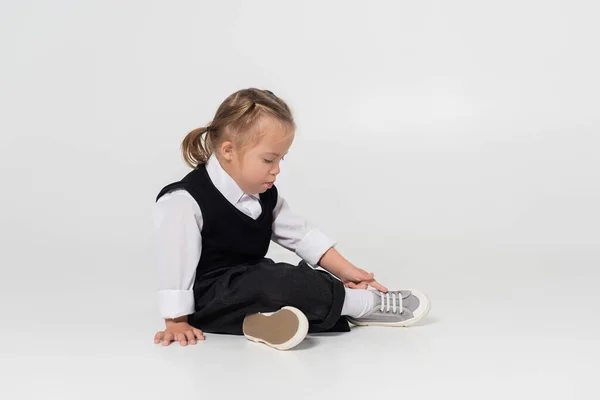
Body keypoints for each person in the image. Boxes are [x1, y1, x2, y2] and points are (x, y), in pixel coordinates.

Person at [152, 88, 431, 350]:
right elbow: (176, 260)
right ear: (228, 151)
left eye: (280, 160)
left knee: (290, 279)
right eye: (268, 160)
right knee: (278, 282)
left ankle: (261, 322)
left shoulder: (264, 195)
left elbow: (299, 235)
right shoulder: (184, 201)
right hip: (208, 298)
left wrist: (346, 270)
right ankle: (364, 304)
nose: (276, 171)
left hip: (249, 288)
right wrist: (176, 320)